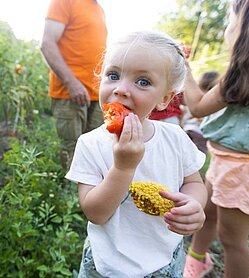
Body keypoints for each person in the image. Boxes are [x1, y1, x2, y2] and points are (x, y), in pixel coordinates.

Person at [65, 31, 208, 277]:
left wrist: (195, 204)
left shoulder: (175, 139)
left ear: (165, 99)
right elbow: (95, 213)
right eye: (113, 75)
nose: (120, 89)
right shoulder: (90, 144)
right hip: (108, 265)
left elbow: (193, 182)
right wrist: (123, 168)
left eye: (142, 82)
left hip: (166, 260)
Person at [182, 1, 249, 277]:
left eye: (233, 19)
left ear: (248, 30)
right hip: (225, 160)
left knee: (232, 240)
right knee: (208, 212)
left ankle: (202, 261)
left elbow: (197, 106)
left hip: (247, 170)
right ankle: (198, 259)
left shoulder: (244, 75)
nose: (228, 27)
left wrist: (183, 67)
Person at [40, 0, 107, 170]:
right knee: (72, 149)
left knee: (95, 149)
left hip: (96, 92)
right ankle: (70, 194)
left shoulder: (99, 9)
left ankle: (90, 193)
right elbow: (47, 44)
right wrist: (72, 83)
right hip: (70, 92)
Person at [182, 71, 220, 154]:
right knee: (198, 159)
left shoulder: (193, 95)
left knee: (184, 156)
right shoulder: (213, 101)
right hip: (200, 133)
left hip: (187, 129)